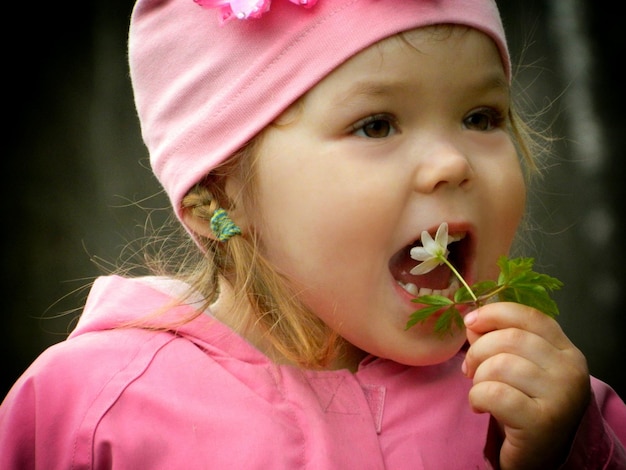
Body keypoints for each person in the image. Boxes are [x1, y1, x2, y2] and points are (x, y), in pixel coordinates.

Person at [1, 0, 625, 468]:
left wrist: (570, 453)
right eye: (377, 125)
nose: (452, 164)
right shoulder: (91, 407)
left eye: (481, 116)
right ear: (218, 196)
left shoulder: (546, 410)